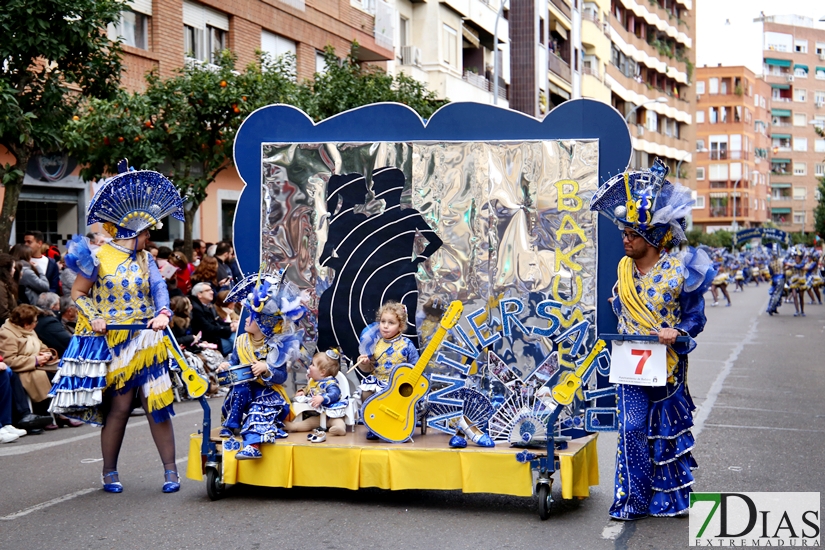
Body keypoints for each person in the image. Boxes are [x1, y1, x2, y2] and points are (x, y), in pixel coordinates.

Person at [46, 163, 187, 494]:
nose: (150, 237)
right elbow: (78, 293)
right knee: (120, 407)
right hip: (114, 339)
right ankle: (109, 471)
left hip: (148, 337)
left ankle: (171, 472)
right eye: (146, 232)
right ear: (130, 231)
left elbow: (159, 289)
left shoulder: (147, 259)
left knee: (157, 403)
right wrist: (94, 315)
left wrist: (164, 312)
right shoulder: (95, 257)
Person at [590, 158, 714, 519]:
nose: (625, 240)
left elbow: (695, 315)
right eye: (624, 233)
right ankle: (632, 501)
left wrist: (679, 332)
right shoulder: (623, 269)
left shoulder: (682, 270)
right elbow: (619, 304)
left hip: (668, 362)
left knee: (665, 430)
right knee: (630, 428)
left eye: (632, 235)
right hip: (631, 363)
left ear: (653, 239)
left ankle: (669, 500)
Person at [216, 270, 309, 459]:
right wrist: (226, 366)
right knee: (239, 390)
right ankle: (231, 424)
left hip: (267, 392)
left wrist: (267, 369)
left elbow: (281, 376)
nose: (247, 319)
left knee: (260, 407)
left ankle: (253, 445)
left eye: (252, 317)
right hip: (244, 389)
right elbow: (234, 362)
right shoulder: (242, 340)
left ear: (263, 324)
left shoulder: (276, 346)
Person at [356, 301, 419, 440]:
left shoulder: (407, 344)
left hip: (397, 386)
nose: (385, 326)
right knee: (366, 394)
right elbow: (368, 369)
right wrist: (363, 363)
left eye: (391, 323)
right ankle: (372, 426)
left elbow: (415, 367)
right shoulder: (374, 342)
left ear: (400, 326)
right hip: (378, 381)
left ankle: (393, 426)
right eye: (382, 321)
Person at [284, 349, 348, 443]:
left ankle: (339, 428)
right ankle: (294, 426)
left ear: (322, 372)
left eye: (313, 365)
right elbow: (309, 389)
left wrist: (322, 398)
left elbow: (335, 393)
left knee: (338, 420)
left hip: (331, 414)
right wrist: (303, 392)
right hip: (318, 416)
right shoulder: (313, 381)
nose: (309, 366)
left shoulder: (330, 383)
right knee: (309, 423)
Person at [189, 282, 237, 355]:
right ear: (199, 294)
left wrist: (231, 324)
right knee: (236, 341)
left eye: (211, 290)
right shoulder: (195, 309)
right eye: (208, 290)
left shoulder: (208, 305)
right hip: (208, 341)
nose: (212, 292)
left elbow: (218, 322)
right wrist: (230, 329)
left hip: (216, 336)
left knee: (236, 336)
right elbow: (207, 329)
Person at [35, 292, 72, 358]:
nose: (60, 307)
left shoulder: (38, 318)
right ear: (53, 307)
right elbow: (67, 341)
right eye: (59, 304)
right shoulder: (49, 322)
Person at [23, 230, 60, 295]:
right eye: (25, 242)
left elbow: (54, 287)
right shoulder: (21, 261)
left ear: (39, 243)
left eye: (29, 242)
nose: (26, 245)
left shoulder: (51, 263)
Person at [0, 253, 19, 324]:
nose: (14, 270)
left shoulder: (4, 283)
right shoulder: (1, 286)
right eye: (13, 267)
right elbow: (3, 312)